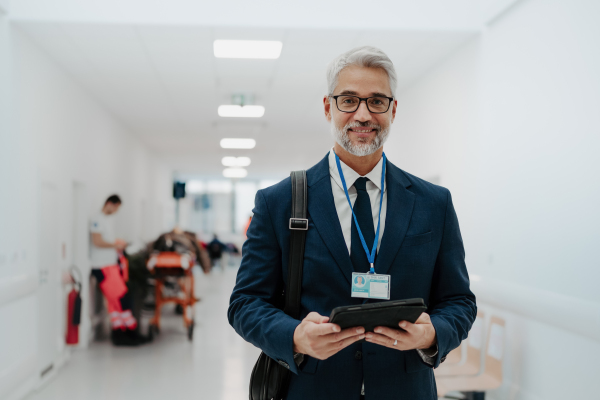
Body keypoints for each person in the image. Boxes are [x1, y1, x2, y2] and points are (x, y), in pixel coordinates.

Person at [228, 46, 476, 400]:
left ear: (392, 110)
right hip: (312, 389)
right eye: (349, 100)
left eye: (376, 101)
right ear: (328, 107)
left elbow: (459, 300)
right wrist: (294, 335)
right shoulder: (278, 202)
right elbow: (245, 303)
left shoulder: (433, 203)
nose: (363, 114)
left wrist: (434, 333)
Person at [90, 194, 147, 346]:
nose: (116, 211)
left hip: (110, 265)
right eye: (116, 208)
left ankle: (125, 333)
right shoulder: (97, 220)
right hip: (102, 267)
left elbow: (106, 241)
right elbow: (97, 242)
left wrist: (116, 243)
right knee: (121, 300)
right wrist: (116, 245)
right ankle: (125, 333)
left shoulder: (107, 221)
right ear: (110, 204)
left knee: (118, 302)